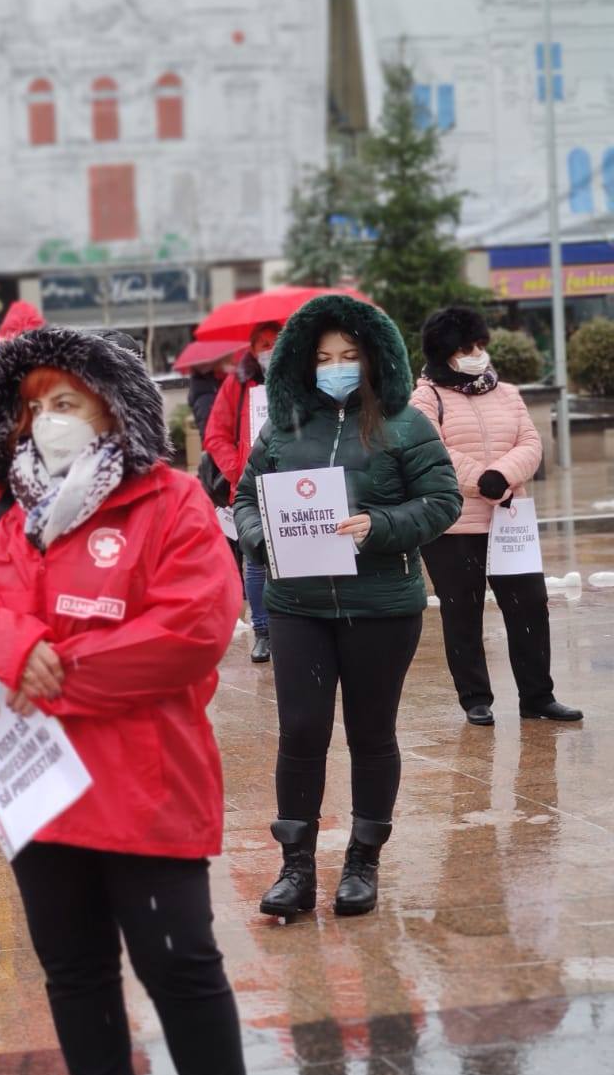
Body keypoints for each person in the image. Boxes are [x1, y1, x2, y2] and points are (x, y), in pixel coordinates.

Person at [0, 326, 255, 1075]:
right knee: (75, 975)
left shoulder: (168, 499)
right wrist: (11, 649)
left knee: (181, 968)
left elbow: (194, 626)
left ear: (113, 407)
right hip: (40, 787)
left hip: (146, 780)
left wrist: (56, 670)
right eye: (32, 407)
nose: (45, 422)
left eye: (64, 402)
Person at [234, 295, 461, 920]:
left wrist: (378, 525)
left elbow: (443, 501)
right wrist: (260, 535)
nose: (336, 366)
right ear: (304, 365)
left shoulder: (405, 423)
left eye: (349, 356)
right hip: (297, 605)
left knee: (370, 732)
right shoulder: (282, 426)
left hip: (381, 604)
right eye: (324, 357)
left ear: (372, 359)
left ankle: (363, 861)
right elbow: (245, 494)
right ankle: (296, 866)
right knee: (302, 731)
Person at [410, 306, 581, 725]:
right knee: (462, 610)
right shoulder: (425, 398)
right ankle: (475, 698)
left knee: (529, 606)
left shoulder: (507, 392)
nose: (476, 354)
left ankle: (538, 697)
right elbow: (430, 452)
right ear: (445, 352)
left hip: (509, 521)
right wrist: (478, 480)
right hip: (453, 524)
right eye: (466, 348)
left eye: (480, 345)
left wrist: (501, 475)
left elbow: (530, 441)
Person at [204, 322, 281, 663]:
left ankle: (293, 627)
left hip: (293, 482)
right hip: (248, 486)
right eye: (262, 343)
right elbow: (215, 434)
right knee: (255, 562)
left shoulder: (304, 381)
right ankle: (263, 631)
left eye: (275, 342)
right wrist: (237, 469)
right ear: (250, 348)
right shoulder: (238, 385)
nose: (269, 349)